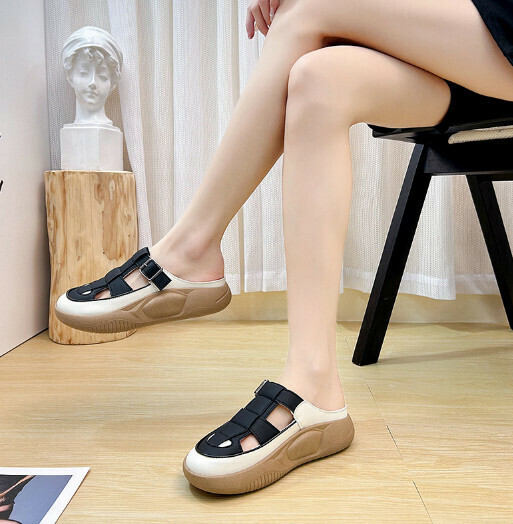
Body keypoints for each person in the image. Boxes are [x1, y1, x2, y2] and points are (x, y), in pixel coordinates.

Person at [55, 0, 513, 494]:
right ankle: (315, 382)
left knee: (307, 6)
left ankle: (192, 248)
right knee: (318, 79)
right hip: (458, 62)